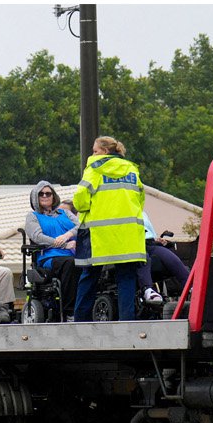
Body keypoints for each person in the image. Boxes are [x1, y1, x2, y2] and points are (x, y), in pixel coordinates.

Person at [70, 136, 147, 321]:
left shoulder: (94, 170)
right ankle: (127, 321)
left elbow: (80, 201)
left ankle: (81, 320)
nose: (93, 154)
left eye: (95, 150)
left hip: (99, 236)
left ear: (104, 152)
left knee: (89, 276)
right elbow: (140, 200)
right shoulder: (132, 169)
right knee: (126, 278)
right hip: (128, 236)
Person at [23, 182, 78, 319]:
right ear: (36, 197)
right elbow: (37, 236)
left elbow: (82, 225)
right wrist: (62, 245)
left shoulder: (65, 213)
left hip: (74, 253)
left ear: (54, 196)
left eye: (48, 193)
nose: (45, 196)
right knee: (70, 263)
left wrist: (68, 235)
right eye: (41, 194)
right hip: (49, 257)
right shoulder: (33, 216)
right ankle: (69, 312)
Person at [140, 212, 190, 303]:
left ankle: (191, 286)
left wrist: (157, 240)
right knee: (144, 258)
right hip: (134, 245)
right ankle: (147, 290)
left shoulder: (142, 212)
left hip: (150, 243)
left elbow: (148, 233)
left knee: (172, 258)